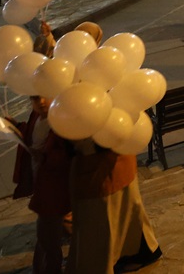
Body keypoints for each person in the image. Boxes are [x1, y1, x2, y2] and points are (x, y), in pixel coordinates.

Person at [66, 143, 161, 273]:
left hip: (104, 170)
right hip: (109, 165)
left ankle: (138, 255)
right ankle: (138, 254)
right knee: (126, 214)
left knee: (110, 221)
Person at [10, 93, 72, 274]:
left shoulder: (60, 121)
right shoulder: (36, 117)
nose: (42, 102)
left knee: (46, 237)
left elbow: (68, 155)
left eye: (47, 96)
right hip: (42, 181)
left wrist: (44, 157)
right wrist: (15, 126)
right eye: (36, 98)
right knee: (57, 230)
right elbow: (32, 135)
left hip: (54, 188)